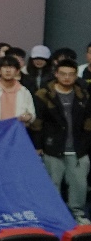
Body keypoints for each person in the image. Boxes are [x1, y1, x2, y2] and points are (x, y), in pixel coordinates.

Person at [31, 60, 91, 224]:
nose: (67, 77)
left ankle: (78, 214)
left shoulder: (84, 95)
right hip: (52, 146)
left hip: (78, 148)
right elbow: (37, 123)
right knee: (52, 184)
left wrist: (85, 145)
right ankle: (53, 216)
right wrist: (38, 146)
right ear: (56, 74)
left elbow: (88, 122)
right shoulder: (43, 94)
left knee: (79, 184)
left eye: (71, 74)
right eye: (63, 74)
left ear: (76, 76)